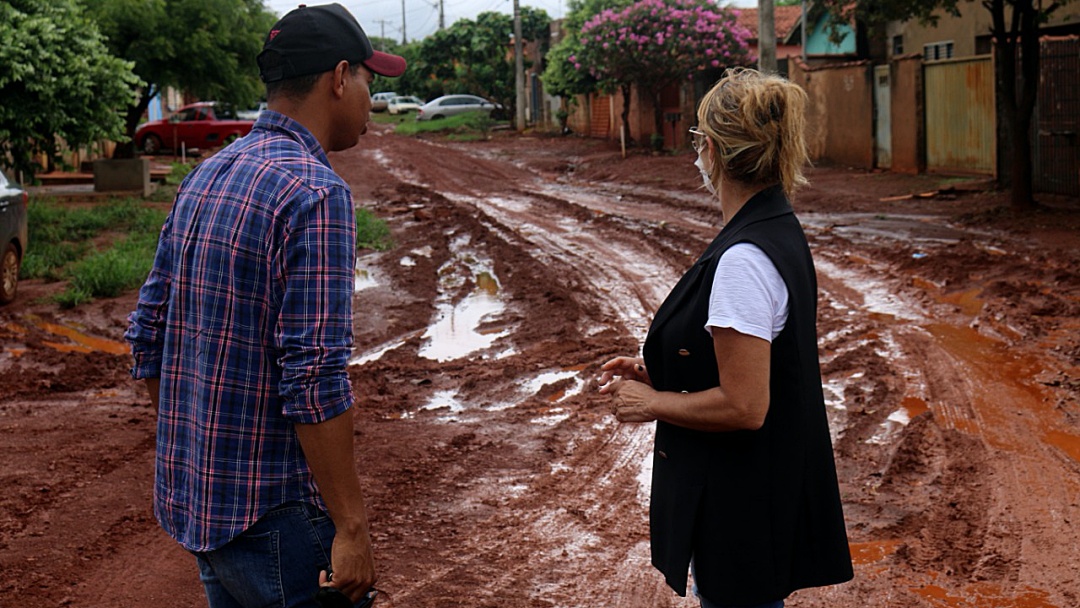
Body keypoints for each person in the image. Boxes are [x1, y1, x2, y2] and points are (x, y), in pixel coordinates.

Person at [124, 4, 405, 607]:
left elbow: (148, 334)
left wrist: (204, 449)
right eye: (368, 81)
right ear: (338, 78)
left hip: (201, 509)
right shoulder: (316, 192)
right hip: (277, 521)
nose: (369, 100)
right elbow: (313, 377)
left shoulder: (207, 175)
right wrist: (352, 527)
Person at [597, 68, 854, 607]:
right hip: (760, 496)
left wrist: (653, 403)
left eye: (697, 140)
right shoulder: (775, 230)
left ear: (710, 149)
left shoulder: (742, 259)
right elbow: (756, 363)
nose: (697, 152)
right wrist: (663, 371)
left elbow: (744, 405)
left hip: (739, 506)